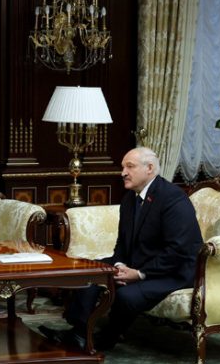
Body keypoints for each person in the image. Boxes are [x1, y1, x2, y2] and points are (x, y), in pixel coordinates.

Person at [39, 147, 203, 350]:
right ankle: (80, 332)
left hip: (174, 271)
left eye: (130, 167)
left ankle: (106, 339)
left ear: (150, 168)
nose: (123, 172)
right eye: (123, 167)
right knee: (91, 272)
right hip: (140, 262)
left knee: (126, 296)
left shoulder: (173, 198)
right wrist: (118, 265)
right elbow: (122, 243)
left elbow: (178, 251)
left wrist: (139, 274)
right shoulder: (130, 199)